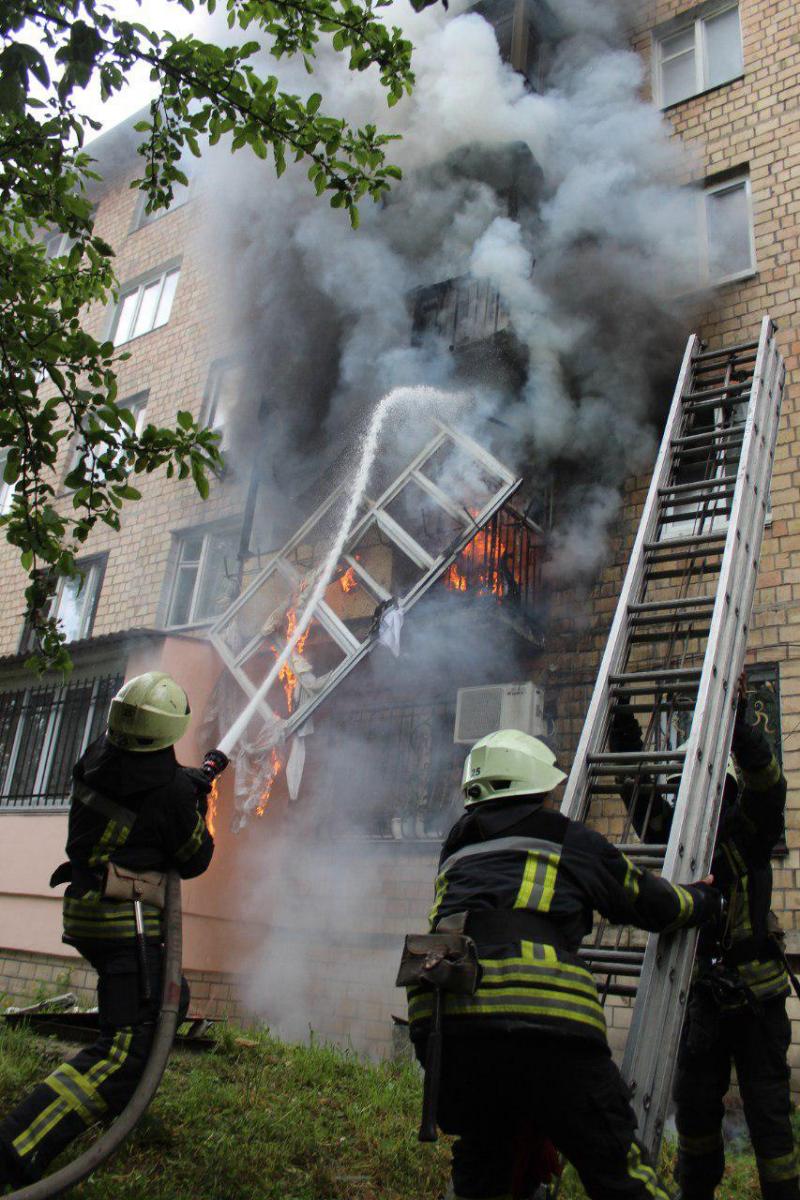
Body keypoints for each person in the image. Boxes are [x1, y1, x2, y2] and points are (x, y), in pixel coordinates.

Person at [405, 728, 722, 1200]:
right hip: (543, 1031)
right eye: (550, 793)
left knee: (485, 1162)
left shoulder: (455, 851)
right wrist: (703, 900)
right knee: (619, 1168)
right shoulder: (567, 838)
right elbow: (645, 901)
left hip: (447, 1032)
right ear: (535, 789)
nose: (555, 801)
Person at [0, 671, 218, 1192]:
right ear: (169, 729)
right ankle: (13, 1152)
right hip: (130, 924)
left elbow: (142, 787)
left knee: (171, 1000)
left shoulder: (98, 754)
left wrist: (186, 781)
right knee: (122, 1055)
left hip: (87, 911)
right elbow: (194, 859)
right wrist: (196, 799)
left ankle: (125, 1108)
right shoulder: (168, 793)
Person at [611, 679, 799, 1200]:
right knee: (694, 1113)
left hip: (758, 1001)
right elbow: (640, 798)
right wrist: (621, 727)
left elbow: (766, 777)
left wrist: (736, 718)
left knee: (770, 1119)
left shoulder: (754, 829)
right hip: (702, 1001)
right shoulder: (679, 836)